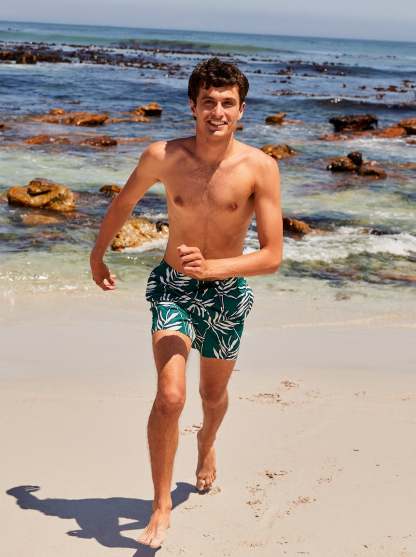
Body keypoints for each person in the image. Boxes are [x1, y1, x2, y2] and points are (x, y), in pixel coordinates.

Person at [89, 56, 283, 549]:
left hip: (227, 292)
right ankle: (160, 504)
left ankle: (207, 441)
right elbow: (123, 203)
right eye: (208, 102)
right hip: (172, 287)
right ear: (193, 106)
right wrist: (97, 255)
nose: (217, 112)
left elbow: (271, 256)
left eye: (227, 103)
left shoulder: (260, 167)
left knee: (212, 397)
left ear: (241, 110)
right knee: (171, 396)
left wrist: (213, 269)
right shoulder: (163, 156)